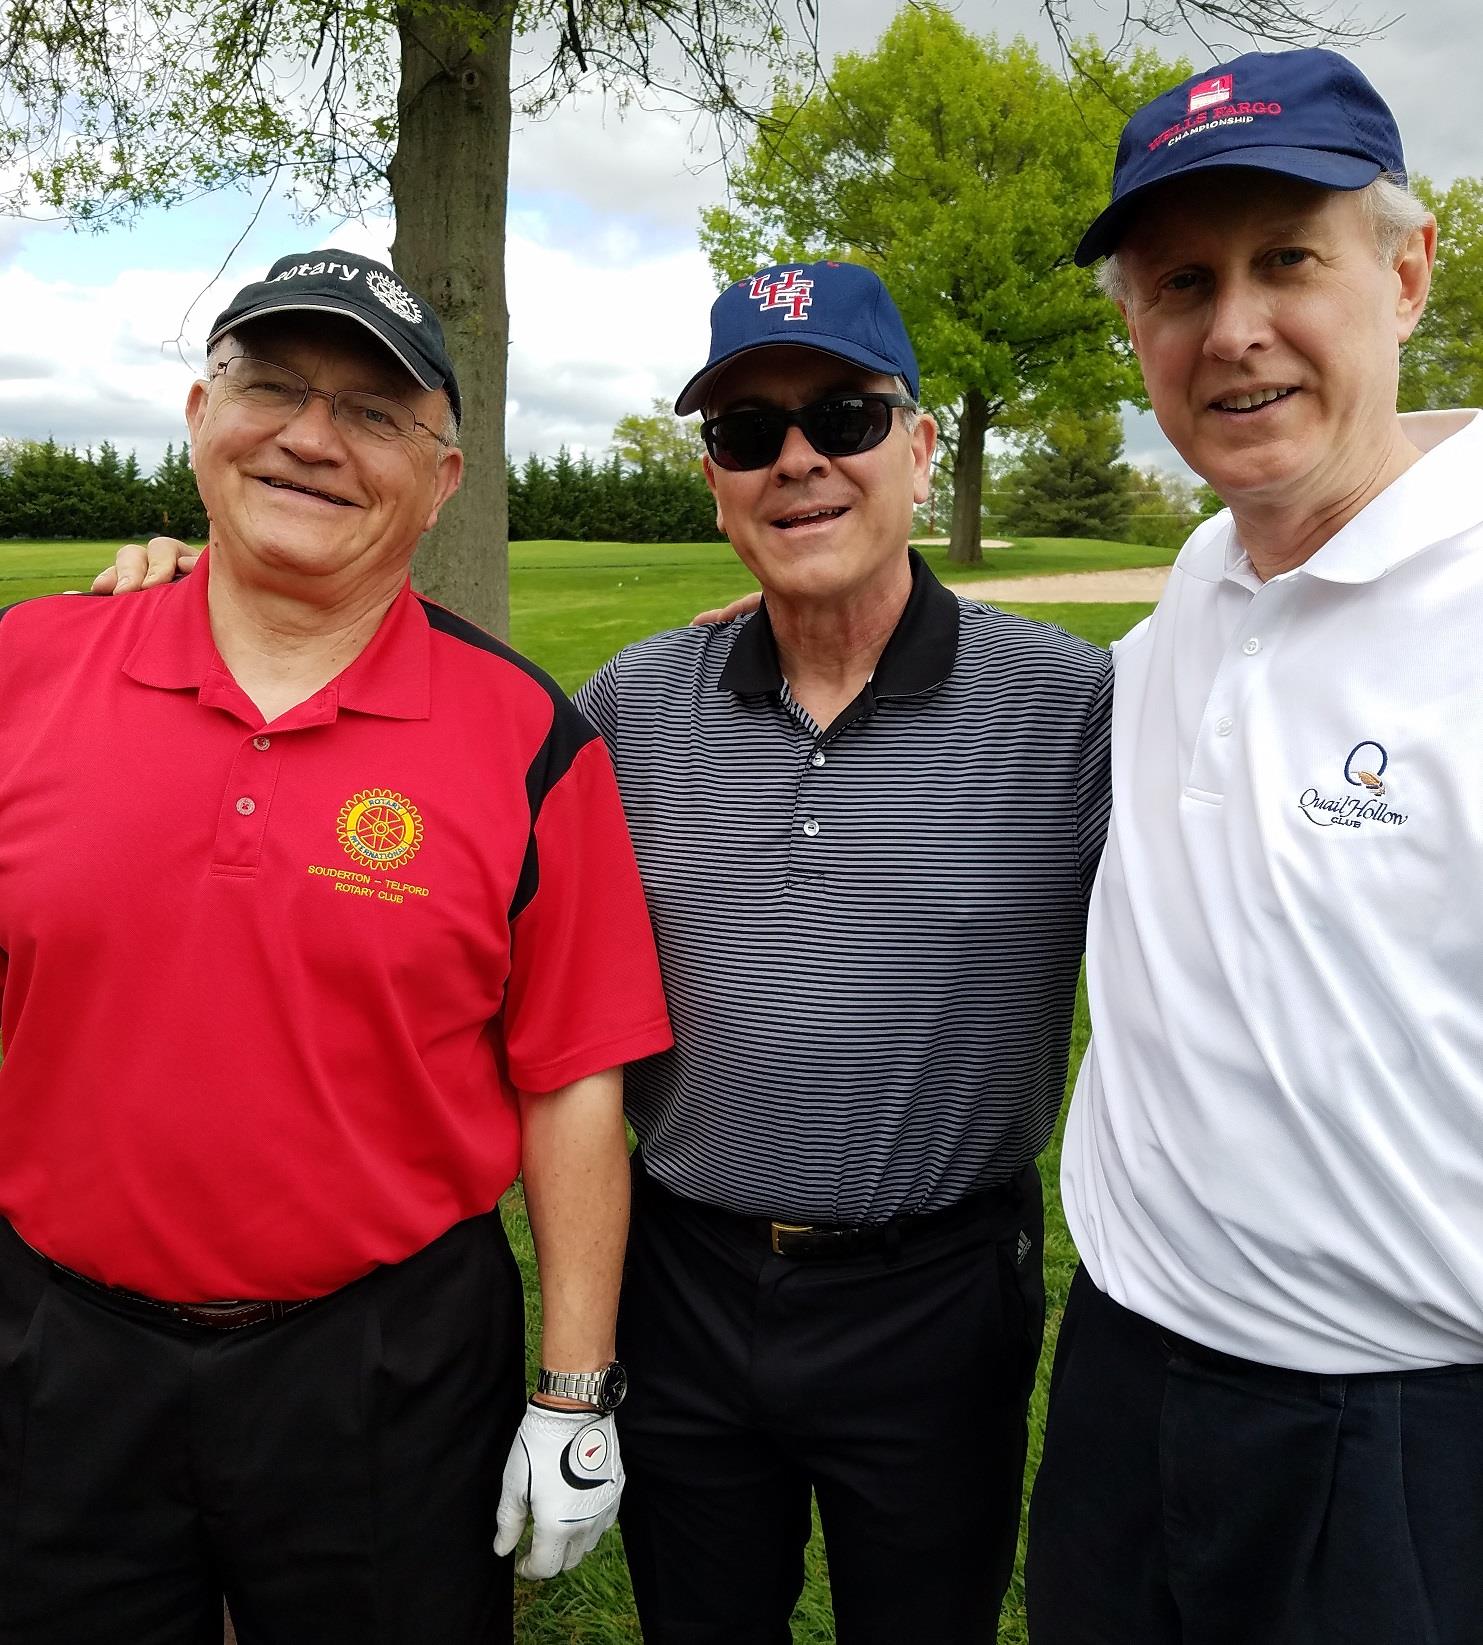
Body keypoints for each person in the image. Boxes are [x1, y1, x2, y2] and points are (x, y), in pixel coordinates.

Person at [107, 261, 1113, 1642]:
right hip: (684, 1281)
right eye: (748, 433)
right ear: (716, 484)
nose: (798, 461)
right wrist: (203, 578)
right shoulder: (630, 707)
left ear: (922, 446)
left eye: (845, 418)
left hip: (935, 1291)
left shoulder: (1072, 702)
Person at [0, 250, 672, 1645]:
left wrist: (574, 1388)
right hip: (59, 1350)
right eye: (273, 387)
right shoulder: (26, 670)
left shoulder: (531, 740)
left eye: (373, 412)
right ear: (202, 415)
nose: (311, 437)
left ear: (442, 478)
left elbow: (570, 1078)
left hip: (387, 1363)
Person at [1025, 48, 1483, 1645]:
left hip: (1400, 1433)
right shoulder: (1195, 592)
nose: (1233, 329)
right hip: (1122, 1379)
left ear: (1406, 275)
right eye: (1182, 284)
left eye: (1288, 259)